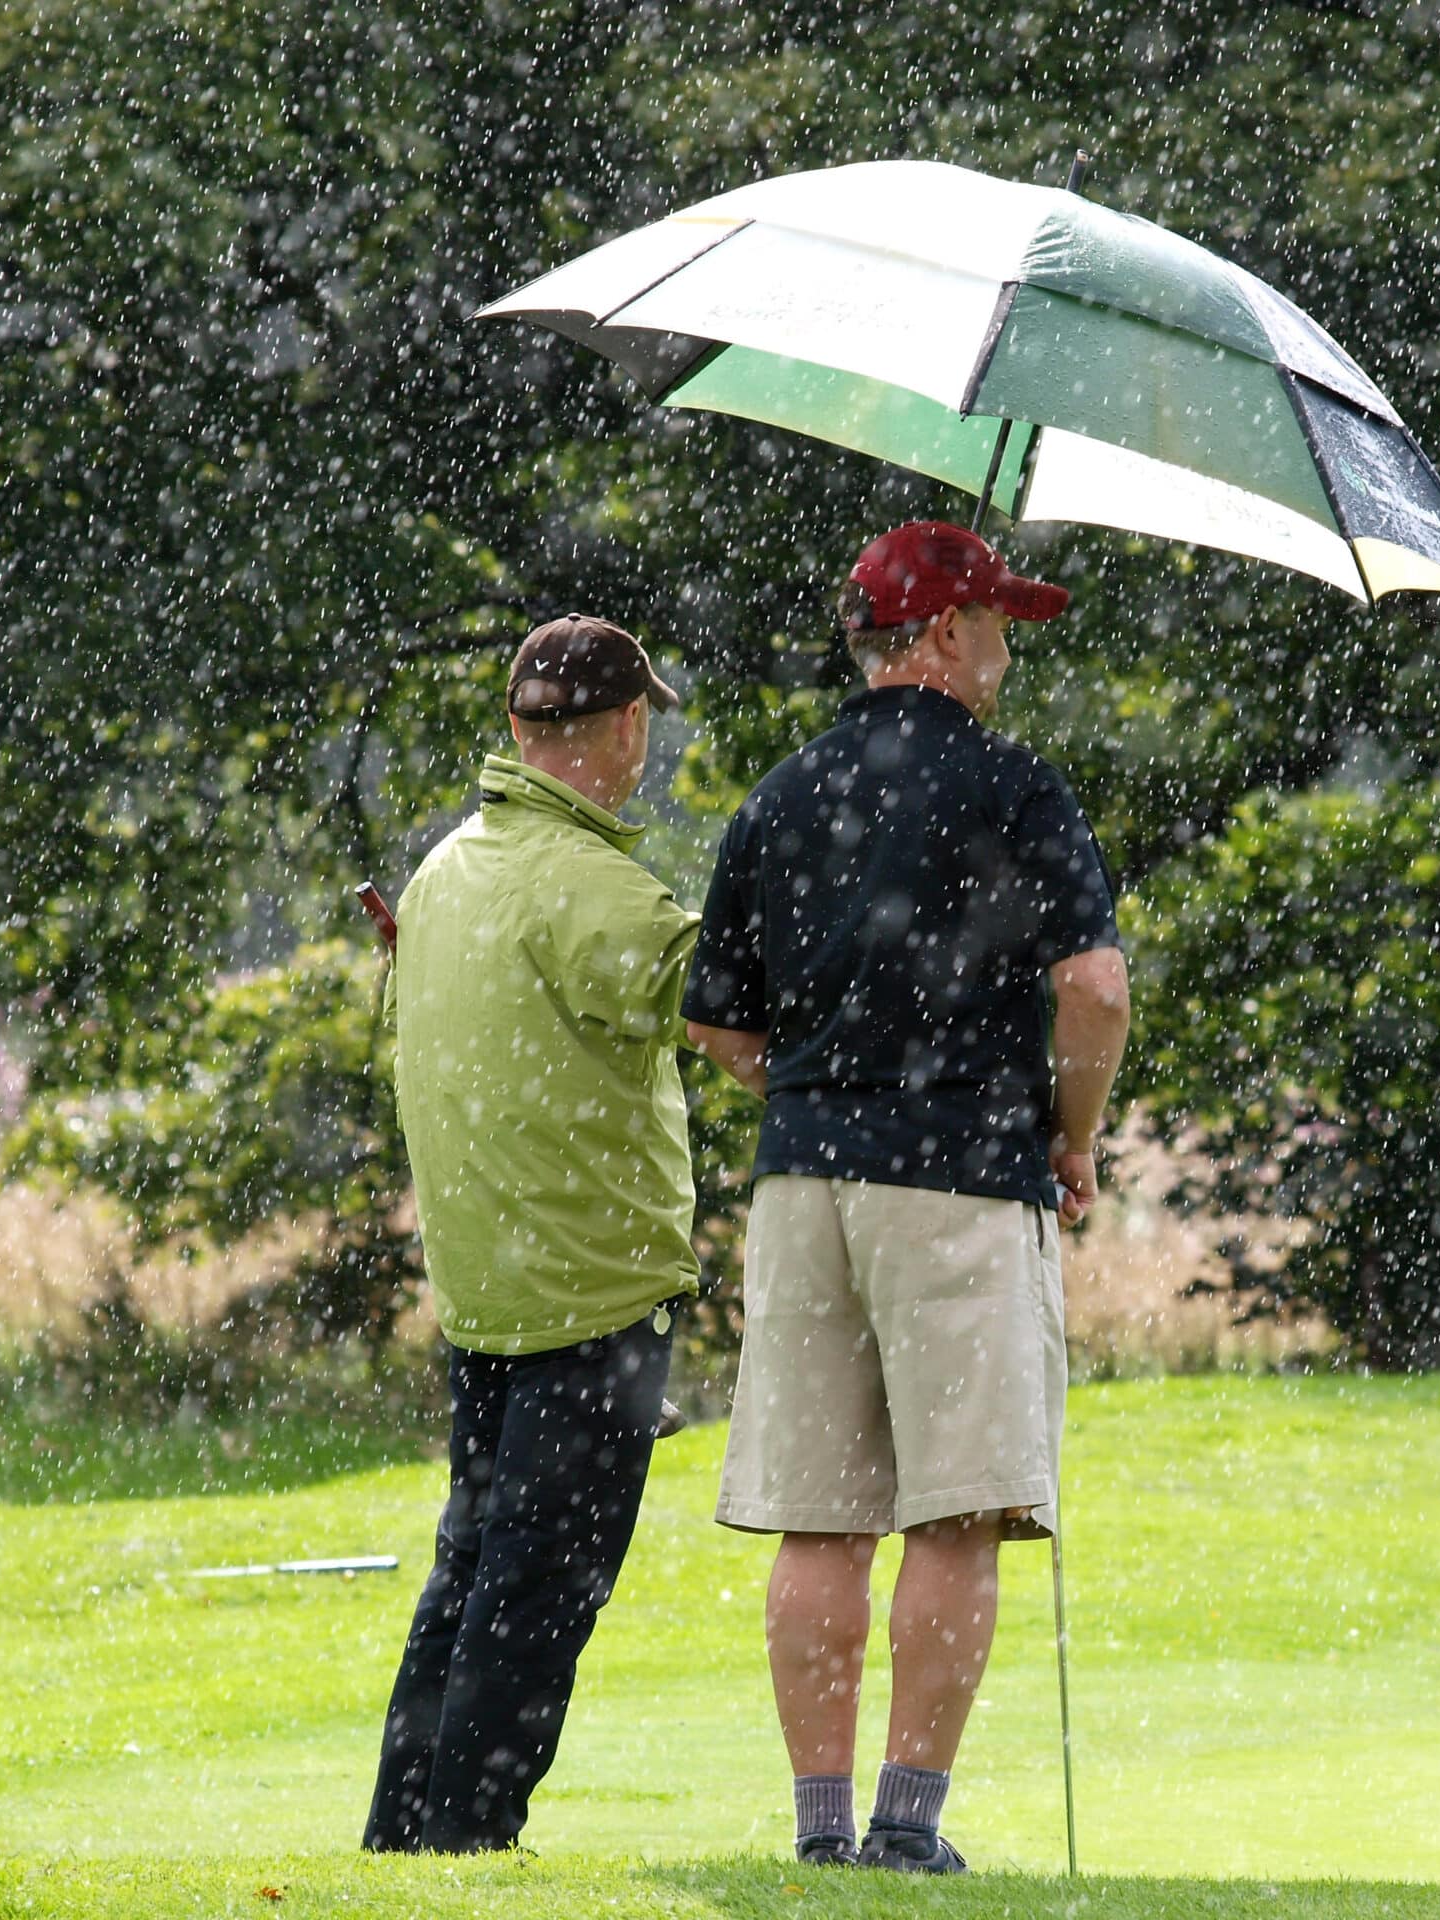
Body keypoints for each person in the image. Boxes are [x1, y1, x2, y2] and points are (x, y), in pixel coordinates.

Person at [683, 521, 1133, 1874]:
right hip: (962, 1182)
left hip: (804, 1186)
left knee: (821, 1518)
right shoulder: (1017, 789)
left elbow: (720, 1024)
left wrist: (818, 1091)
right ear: (942, 634)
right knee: (960, 1509)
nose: (1009, 649)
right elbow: (1095, 989)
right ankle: (905, 1828)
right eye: (996, 622)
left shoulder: (779, 795)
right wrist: (1074, 1134)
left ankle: (820, 1836)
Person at [362, 614, 699, 1854]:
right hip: (592, 1293)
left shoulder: (446, 870)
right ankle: (470, 1837)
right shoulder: (598, 886)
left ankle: (407, 1836)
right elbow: (730, 1014)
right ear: (624, 726)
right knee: (540, 1587)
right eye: (643, 722)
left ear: (517, 727)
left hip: (487, 1292)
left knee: (469, 1570)